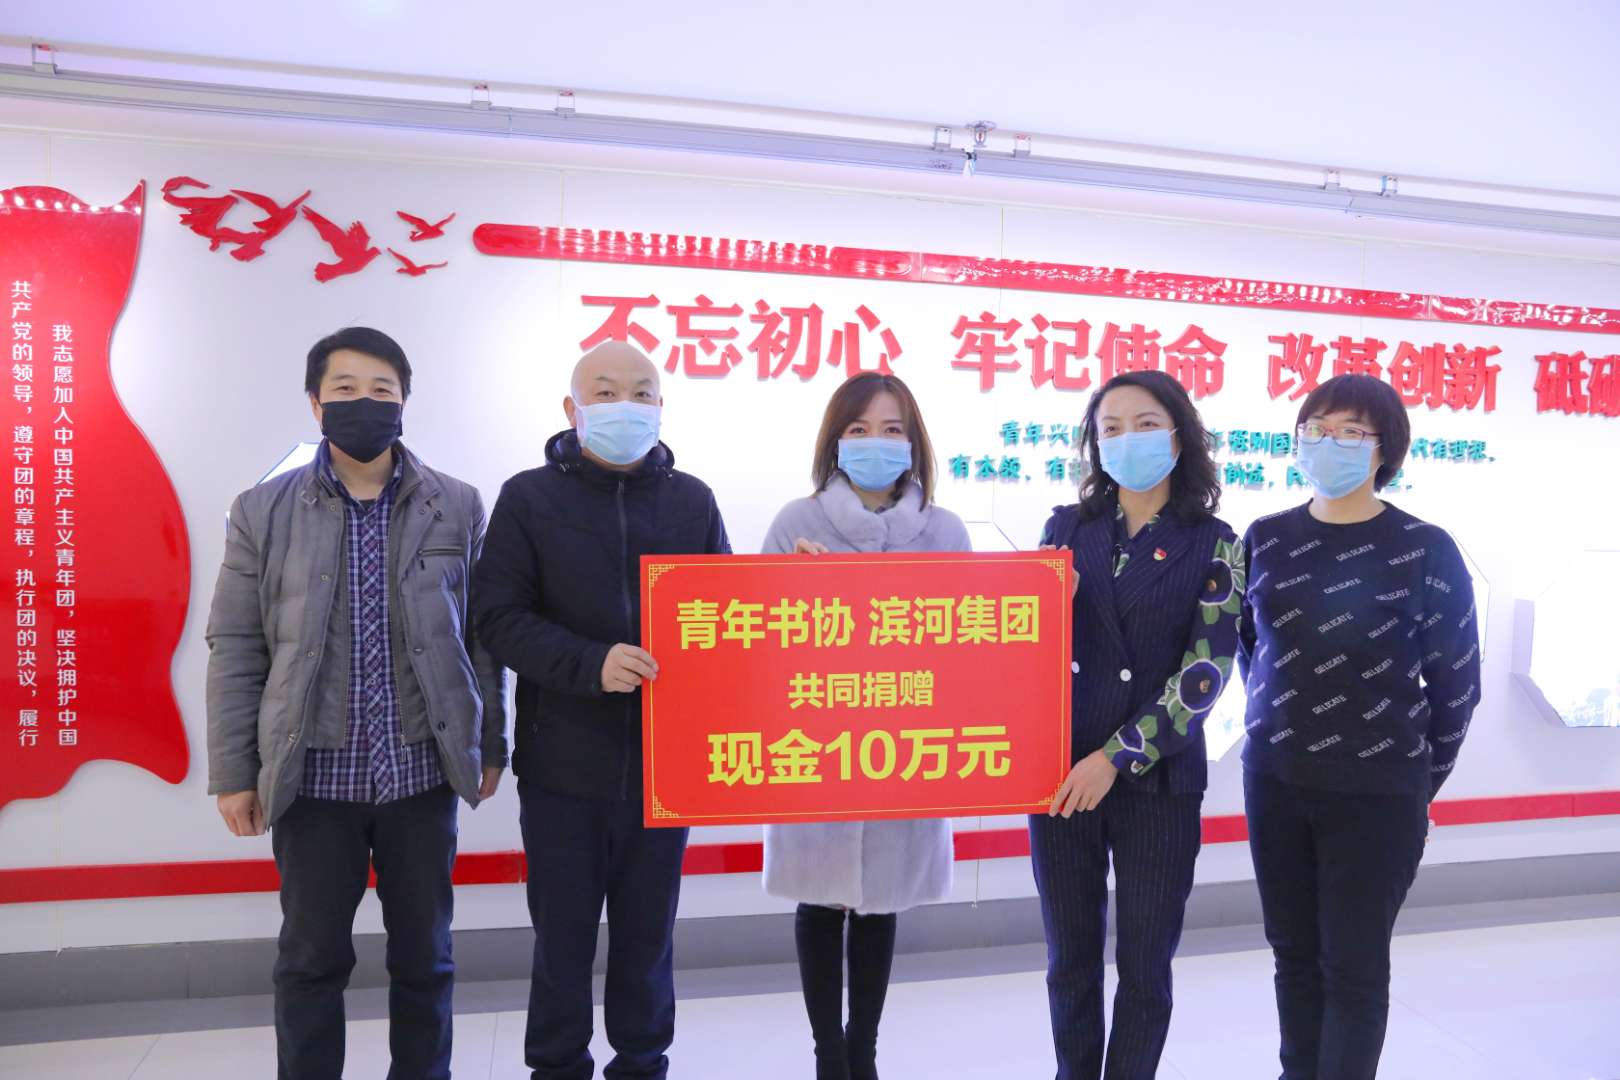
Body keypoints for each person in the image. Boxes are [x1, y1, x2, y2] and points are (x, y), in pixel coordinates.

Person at [205, 326, 506, 1080]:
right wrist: (234, 772)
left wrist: (491, 745)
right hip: (312, 779)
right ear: (316, 404)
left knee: (426, 959)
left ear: (404, 403)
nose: (364, 402)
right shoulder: (262, 510)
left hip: (422, 773)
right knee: (310, 961)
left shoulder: (457, 505)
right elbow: (236, 645)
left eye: (382, 390)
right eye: (345, 389)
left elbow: (484, 637)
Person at [471, 342, 730, 1080]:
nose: (626, 405)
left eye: (642, 393)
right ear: (572, 408)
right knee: (562, 941)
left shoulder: (692, 500)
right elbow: (497, 617)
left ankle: (643, 1063)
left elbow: (727, 617)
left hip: (664, 771)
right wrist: (590, 664)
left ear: (661, 406)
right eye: (606, 391)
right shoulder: (529, 498)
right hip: (562, 765)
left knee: (649, 941)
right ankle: (556, 1067)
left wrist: (796, 585)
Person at [1239, 373, 1480, 1080]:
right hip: (1275, 781)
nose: (1329, 443)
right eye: (1316, 429)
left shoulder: (1424, 548)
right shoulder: (1266, 538)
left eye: (1351, 431)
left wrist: (1415, 781)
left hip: (1379, 792)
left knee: (1353, 967)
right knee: (1292, 954)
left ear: (1384, 449)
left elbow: (1456, 685)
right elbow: (1254, 652)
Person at [1030, 370, 1244, 1080]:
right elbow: (1019, 644)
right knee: (1069, 960)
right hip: (1061, 776)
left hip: (1158, 780)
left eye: (1146, 424)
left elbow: (1204, 675)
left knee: (1146, 968)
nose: (1128, 439)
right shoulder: (1066, 529)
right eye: (1111, 428)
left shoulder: (1215, 542)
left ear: (1180, 437)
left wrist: (1115, 757)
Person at [759, 372, 971, 1080]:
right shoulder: (796, 522)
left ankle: (864, 1051)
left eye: (891, 429)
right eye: (858, 429)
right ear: (835, 441)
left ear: (913, 443)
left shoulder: (944, 531)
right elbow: (753, 641)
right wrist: (791, 592)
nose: (875, 442)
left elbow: (971, 647)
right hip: (816, 744)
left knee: (883, 904)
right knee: (819, 904)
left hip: (904, 746)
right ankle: (828, 1054)